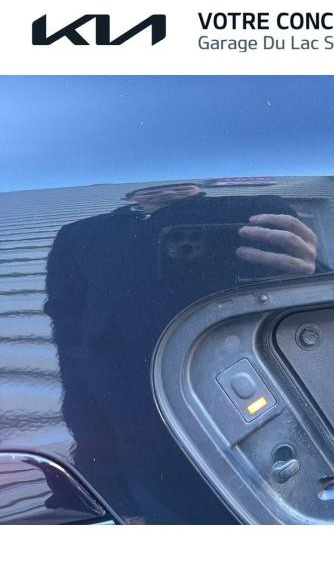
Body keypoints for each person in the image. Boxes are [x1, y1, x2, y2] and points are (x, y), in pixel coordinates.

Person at [44, 182, 319, 523]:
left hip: (283, 457)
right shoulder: (82, 239)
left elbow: (325, 339)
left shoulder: (259, 212)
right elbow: (74, 370)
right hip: (154, 475)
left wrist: (313, 272)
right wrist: (112, 495)